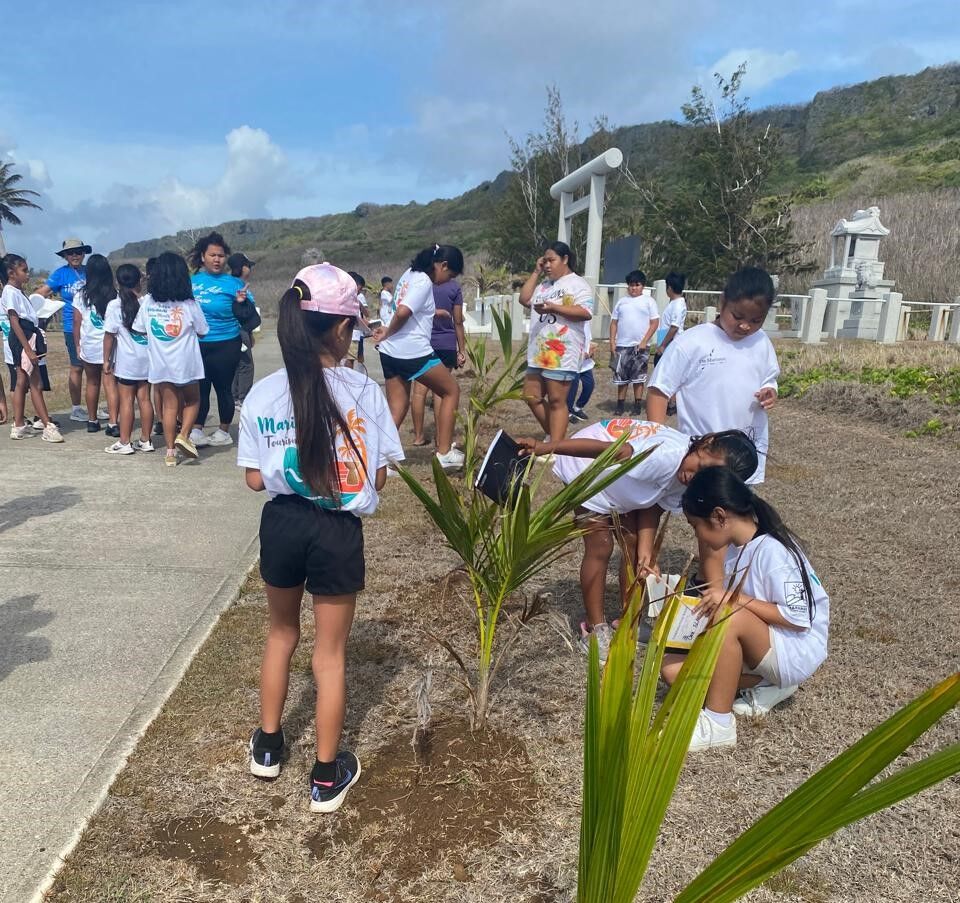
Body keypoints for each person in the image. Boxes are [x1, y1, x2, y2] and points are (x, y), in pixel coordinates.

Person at [238, 262, 403, 813]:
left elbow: (254, 479)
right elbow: (380, 477)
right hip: (336, 528)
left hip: (282, 523)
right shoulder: (364, 392)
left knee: (280, 633)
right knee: (329, 655)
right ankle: (327, 777)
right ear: (341, 328)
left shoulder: (263, 393)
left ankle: (267, 747)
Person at [519, 422, 756, 662]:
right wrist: (546, 447)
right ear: (705, 444)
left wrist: (646, 552)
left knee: (634, 547)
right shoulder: (665, 456)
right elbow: (609, 451)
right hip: (587, 466)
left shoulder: (690, 477)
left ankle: (629, 619)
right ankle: (595, 627)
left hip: (620, 477)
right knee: (600, 545)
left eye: (706, 477)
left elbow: (653, 507)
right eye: (701, 467)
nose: (695, 478)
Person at [663, 466, 830, 752]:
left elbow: (798, 618)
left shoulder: (773, 551)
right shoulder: (732, 549)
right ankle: (767, 684)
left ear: (719, 516)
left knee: (728, 616)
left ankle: (719, 724)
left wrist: (734, 599)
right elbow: (716, 592)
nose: (698, 535)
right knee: (672, 670)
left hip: (793, 648)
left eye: (696, 526)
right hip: (761, 639)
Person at [647, 266, 779, 484]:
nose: (745, 326)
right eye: (737, 316)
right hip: (703, 457)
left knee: (736, 501)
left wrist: (770, 391)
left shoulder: (761, 341)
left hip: (743, 456)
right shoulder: (692, 342)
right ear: (722, 302)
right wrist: (657, 441)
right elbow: (658, 391)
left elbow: (769, 378)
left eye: (756, 320)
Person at [371, 245, 465, 472]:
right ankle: (444, 453)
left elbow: (411, 309)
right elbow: (403, 311)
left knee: (397, 407)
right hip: (411, 351)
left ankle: (379, 461)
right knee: (451, 391)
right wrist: (388, 331)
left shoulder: (409, 274)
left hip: (390, 352)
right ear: (442, 265)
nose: (448, 281)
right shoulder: (423, 281)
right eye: (451, 275)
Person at [134, 252, 209, 467]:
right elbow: (203, 331)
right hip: (187, 363)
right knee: (193, 400)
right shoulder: (189, 303)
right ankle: (183, 435)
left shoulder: (148, 302)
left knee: (169, 407)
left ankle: (170, 453)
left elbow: (139, 329)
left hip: (161, 364)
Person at [518, 241, 593, 443]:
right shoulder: (543, 286)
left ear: (565, 259)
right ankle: (555, 437)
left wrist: (554, 308)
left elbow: (585, 312)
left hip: (562, 352)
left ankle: (555, 447)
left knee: (557, 400)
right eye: (545, 261)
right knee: (531, 396)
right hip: (539, 352)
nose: (547, 265)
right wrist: (536, 272)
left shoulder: (577, 284)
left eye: (552, 260)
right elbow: (524, 299)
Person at [34, 238, 103, 423]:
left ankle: (94, 407)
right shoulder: (60, 274)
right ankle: (76, 408)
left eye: (78, 252)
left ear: (84, 253)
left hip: (93, 326)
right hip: (72, 327)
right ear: (65, 256)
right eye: (70, 253)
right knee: (77, 366)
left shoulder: (90, 271)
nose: (75, 256)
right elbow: (41, 293)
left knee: (96, 367)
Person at [189, 231, 245, 448]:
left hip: (226, 342)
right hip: (197, 343)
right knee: (200, 388)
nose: (217, 260)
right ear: (203, 257)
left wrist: (241, 303)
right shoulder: (191, 282)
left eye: (221, 256)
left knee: (223, 388)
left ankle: (223, 431)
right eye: (212, 255)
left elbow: (248, 315)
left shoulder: (234, 283)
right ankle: (197, 429)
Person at [3, 254, 63, 442]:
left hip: (29, 334)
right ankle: (47, 425)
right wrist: (27, 349)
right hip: (23, 337)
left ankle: (19, 425)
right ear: (11, 273)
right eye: (24, 270)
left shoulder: (18, 292)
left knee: (22, 381)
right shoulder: (10, 292)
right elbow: (14, 321)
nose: (28, 274)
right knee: (35, 382)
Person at [103, 264, 154, 454]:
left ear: (118, 282)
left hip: (127, 362)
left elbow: (109, 335)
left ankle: (125, 442)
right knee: (145, 399)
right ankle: (146, 440)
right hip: (147, 359)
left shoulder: (115, 305)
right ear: (139, 280)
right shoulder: (147, 302)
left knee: (126, 401)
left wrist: (106, 359)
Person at [410, 274, 466, 447]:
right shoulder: (454, 288)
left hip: (423, 342)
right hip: (446, 343)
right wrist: (462, 350)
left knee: (419, 392)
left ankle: (418, 436)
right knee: (442, 392)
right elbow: (458, 321)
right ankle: (441, 439)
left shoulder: (422, 284)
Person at [72, 254, 120, 435]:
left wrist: (77, 345)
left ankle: (92, 421)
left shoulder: (81, 295)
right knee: (110, 384)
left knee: (92, 383)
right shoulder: (114, 295)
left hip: (89, 346)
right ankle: (113, 423)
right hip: (110, 347)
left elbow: (76, 323)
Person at [610, 270, 659, 416]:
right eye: (631, 285)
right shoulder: (621, 302)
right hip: (622, 345)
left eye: (637, 285)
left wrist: (644, 341)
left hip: (640, 346)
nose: (633, 288)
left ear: (643, 286)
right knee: (622, 377)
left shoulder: (649, 301)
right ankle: (620, 405)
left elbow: (654, 322)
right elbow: (614, 323)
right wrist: (612, 341)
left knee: (638, 377)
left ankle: (637, 405)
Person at [228, 252, 257, 409]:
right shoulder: (237, 286)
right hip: (239, 330)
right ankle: (242, 398)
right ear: (242, 268)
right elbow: (242, 313)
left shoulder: (231, 284)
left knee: (237, 364)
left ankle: (235, 397)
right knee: (246, 365)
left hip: (238, 330)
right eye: (248, 266)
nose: (250, 270)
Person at [567, 321, 596, 423]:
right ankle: (568, 411)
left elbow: (588, 338)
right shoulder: (571, 321)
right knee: (572, 388)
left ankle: (578, 407)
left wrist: (590, 349)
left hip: (585, 362)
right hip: (573, 361)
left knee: (589, 385)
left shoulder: (586, 321)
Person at [655, 271, 687, 363]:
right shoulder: (674, 303)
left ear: (669, 288)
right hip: (665, 341)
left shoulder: (678, 305)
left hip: (670, 345)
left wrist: (663, 345)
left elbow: (674, 327)